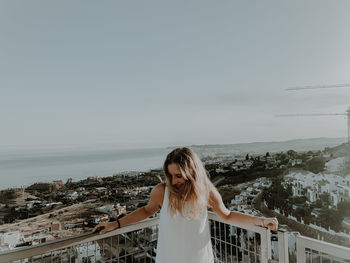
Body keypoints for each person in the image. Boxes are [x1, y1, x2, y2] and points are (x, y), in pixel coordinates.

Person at [93, 147, 278, 263]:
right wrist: (115, 224)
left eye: (179, 175)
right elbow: (145, 211)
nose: (174, 181)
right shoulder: (162, 191)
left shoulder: (206, 191)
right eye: (171, 175)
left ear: (191, 172)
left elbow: (227, 215)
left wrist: (261, 221)